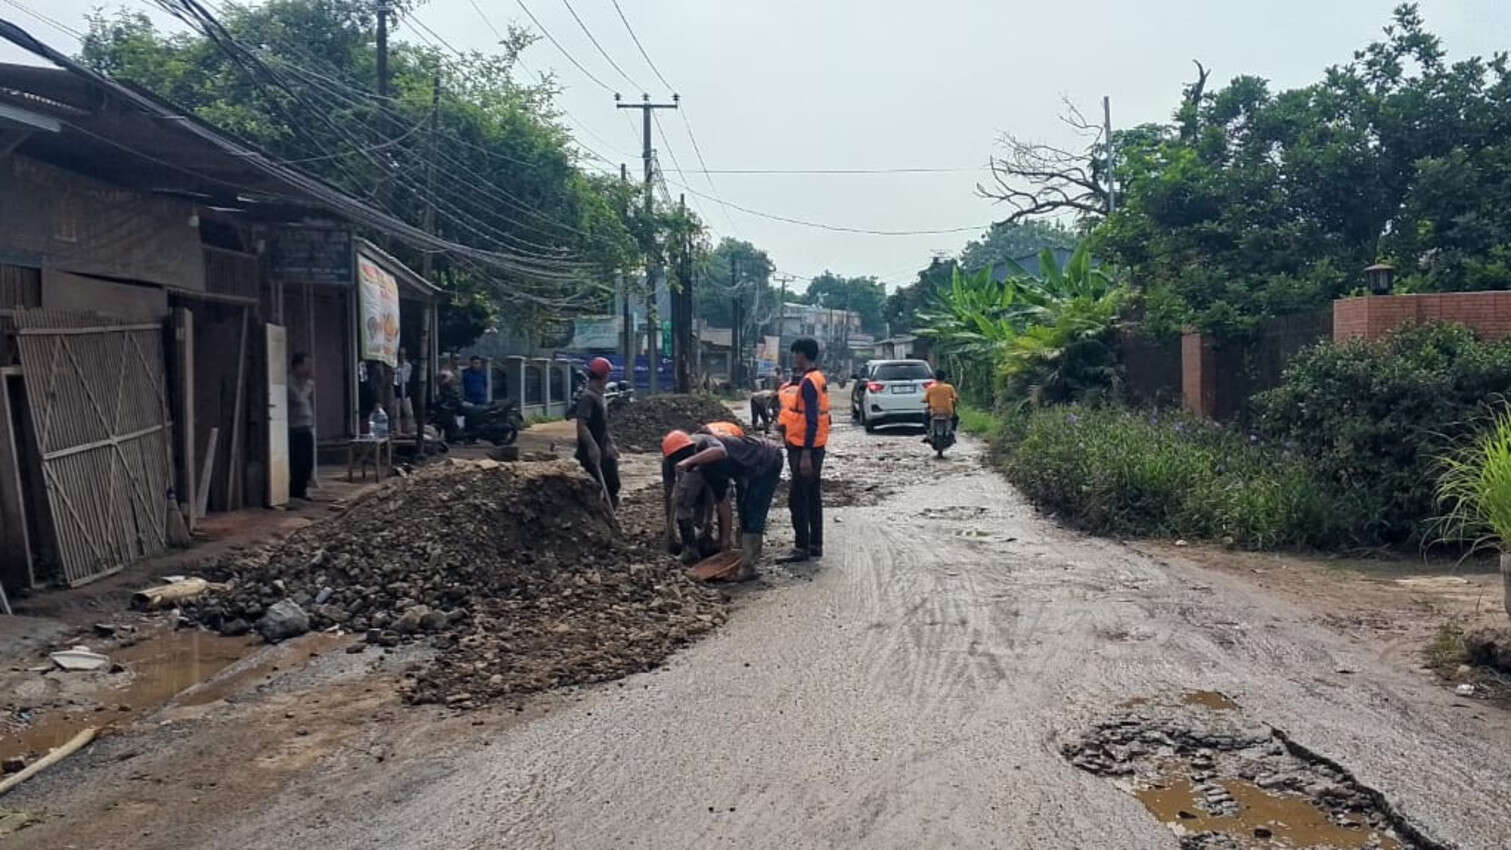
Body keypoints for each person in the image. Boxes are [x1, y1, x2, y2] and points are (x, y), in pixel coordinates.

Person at [663, 429, 784, 582]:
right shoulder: (708, 471)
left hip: (768, 458)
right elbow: (723, 506)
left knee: (754, 510)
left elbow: (720, 452)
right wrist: (725, 542)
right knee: (745, 511)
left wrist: (690, 461)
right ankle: (747, 557)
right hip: (748, 469)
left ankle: (749, 567)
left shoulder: (706, 442)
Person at [781, 337, 830, 563]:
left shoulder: (809, 382)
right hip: (815, 445)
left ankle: (802, 547)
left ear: (802, 355)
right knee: (812, 496)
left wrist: (806, 455)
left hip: (804, 448)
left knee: (797, 498)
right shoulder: (818, 378)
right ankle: (815, 544)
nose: (794, 358)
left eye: (795, 353)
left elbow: (811, 419)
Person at [575, 356, 620, 510]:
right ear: (604, 376)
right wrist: (592, 447)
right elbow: (581, 424)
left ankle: (609, 519)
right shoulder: (588, 398)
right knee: (595, 488)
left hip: (604, 450)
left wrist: (610, 443)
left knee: (613, 485)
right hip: (591, 454)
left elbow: (603, 426)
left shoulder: (600, 396)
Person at [287, 353, 315, 503]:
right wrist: (308, 387)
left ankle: (302, 489)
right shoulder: (290, 382)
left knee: (307, 462)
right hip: (295, 427)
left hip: (306, 426)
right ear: (297, 365)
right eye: (305, 365)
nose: (307, 369)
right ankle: (295, 490)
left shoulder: (302, 382)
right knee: (297, 461)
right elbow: (298, 399)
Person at [922, 367, 959, 440]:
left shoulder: (930, 388)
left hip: (934, 411)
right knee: (956, 417)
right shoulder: (949, 387)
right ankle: (952, 431)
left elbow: (925, 399)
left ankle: (928, 432)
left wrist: (925, 400)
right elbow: (955, 398)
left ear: (935, 377)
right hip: (947, 411)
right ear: (944, 378)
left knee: (925, 416)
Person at [391, 347, 414, 435]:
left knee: (409, 412)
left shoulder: (408, 366)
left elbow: (407, 378)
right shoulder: (394, 366)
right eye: (400, 354)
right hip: (396, 390)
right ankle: (398, 431)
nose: (401, 356)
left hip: (405, 389)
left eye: (403, 354)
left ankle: (410, 429)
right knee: (396, 414)